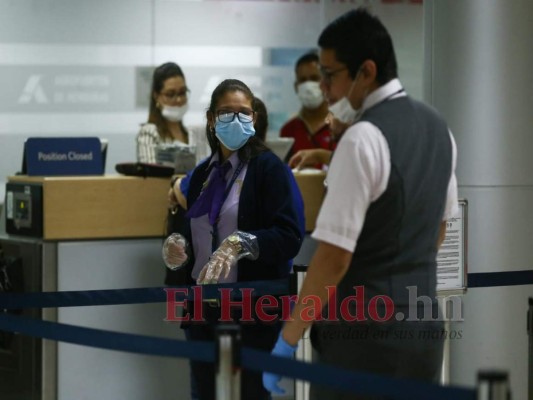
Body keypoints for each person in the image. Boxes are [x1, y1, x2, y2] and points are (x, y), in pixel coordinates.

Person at [263, 8, 459, 400]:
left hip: (363, 339)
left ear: (366, 72)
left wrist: (288, 338)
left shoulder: (362, 138)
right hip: (423, 332)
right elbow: (439, 227)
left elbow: (334, 257)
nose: (324, 88)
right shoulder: (439, 127)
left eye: (330, 75)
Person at [164, 79, 303, 400]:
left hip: (252, 312)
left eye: (244, 113)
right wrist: (178, 249)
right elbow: (195, 233)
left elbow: (289, 235)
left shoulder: (269, 169)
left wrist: (242, 244)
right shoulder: (203, 173)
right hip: (204, 314)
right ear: (212, 119)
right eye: (227, 113)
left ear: (254, 119)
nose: (236, 120)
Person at [279, 51, 335, 166]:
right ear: (296, 87)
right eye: (303, 80)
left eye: (314, 78)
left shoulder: (339, 126)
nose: (308, 86)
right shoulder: (288, 130)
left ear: (326, 82)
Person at [136, 62, 197, 164]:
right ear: (156, 96)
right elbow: (152, 176)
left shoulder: (191, 134)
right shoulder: (149, 133)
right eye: (170, 94)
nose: (178, 99)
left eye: (182, 92)